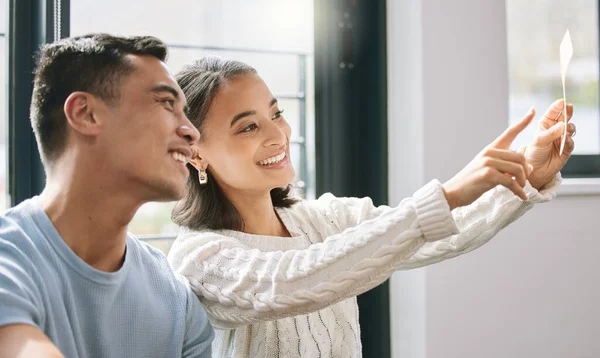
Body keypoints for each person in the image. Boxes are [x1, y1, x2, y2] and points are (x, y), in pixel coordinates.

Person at [167, 56, 575, 357]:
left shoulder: (320, 219)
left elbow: (434, 237)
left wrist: (529, 174)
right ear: (195, 153)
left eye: (277, 114)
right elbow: (296, 281)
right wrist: (447, 193)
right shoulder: (202, 258)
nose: (278, 135)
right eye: (249, 126)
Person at [0, 34, 214, 357]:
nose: (191, 131)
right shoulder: (8, 264)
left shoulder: (177, 300)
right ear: (85, 114)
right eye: (167, 103)